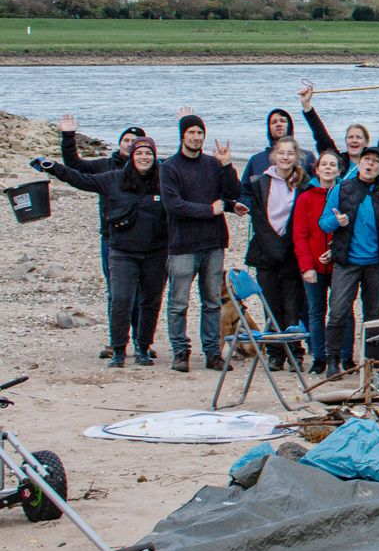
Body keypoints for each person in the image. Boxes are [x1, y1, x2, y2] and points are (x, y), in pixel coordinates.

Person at [34, 133, 168, 365]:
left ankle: (143, 347)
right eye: (139, 153)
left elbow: (191, 185)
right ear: (131, 157)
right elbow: (80, 178)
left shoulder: (165, 180)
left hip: (156, 251)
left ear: (155, 157)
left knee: (150, 302)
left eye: (149, 153)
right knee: (121, 300)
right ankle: (118, 350)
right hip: (122, 251)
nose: (144, 157)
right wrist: (53, 167)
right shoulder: (114, 179)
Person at [53, 115, 148, 354]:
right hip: (112, 239)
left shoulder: (151, 171)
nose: (130, 144)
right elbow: (75, 166)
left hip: (145, 241)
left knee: (142, 294)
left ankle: (141, 342)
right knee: (116, 293)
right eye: (126, 140)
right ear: (120, 143)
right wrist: (68, 136)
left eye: (135, 141)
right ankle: (117, 342)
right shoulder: (106, 166)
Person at [159, 114, 243, 374]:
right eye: (192, 133)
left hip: (213, 242)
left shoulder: (212, 164)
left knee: (212, 301)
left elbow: (231, 193)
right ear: (182, 135)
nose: (196, 137)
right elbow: (173, 204)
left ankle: (212, 352)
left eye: (200, 133)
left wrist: (227, 166)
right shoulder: (170, 167)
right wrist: (209, 210)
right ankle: (180, 351)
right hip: (183, 244)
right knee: (179, 302)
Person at [319, 148, 379, 369]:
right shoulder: (342, 188)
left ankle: (371, 361)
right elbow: (324, 223)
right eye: (366, 160)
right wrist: (337, 222)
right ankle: (333, 358)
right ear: (359, 164)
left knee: (374, 315)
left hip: (377, 263)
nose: (370, 165)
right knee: (338, 311)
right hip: (347, 261)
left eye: (375, 162)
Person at [241, 136, 310, 342]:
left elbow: (300, 220)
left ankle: (294, 349)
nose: (285, 157)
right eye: (281, 153)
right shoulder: (260, 182)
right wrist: (274, 248)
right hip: (265, 252)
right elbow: (258, 219)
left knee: (293, 305)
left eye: (290, 153)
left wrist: (285, 247)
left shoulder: (303, 184)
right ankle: (275, 351)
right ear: (273, 156)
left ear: (296, 157)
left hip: (291, 253)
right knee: (271, 305)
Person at [292, 151, 339, 380]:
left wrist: (336, 252)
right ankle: (319, 357)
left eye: (333, 165)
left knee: (341, 312)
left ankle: (342, 356)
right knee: (316, 312)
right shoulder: (306, 198)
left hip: (339, 264)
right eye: (324, 164)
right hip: (313, 265)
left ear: (338, 170)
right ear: (317, 169)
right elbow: (299, 234)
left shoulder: (343, 194)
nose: (328, 168)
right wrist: (306, 266)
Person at [299, 80, 379, 167]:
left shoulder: (377, 160)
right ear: (346, 141)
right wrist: (306, 105)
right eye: (350, 137)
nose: (354, 140)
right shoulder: (337, 162)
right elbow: (321, 137)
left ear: (366, 142)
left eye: (358, 137)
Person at [242, 107, 315, 185]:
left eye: (283, 121)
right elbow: (244, 189)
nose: (279, 124)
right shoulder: (256, 160)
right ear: (269, 129)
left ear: (290, 126)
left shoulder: (307, 157)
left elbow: (318, 185)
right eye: (274, 122)